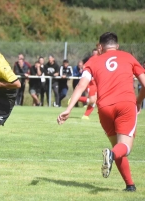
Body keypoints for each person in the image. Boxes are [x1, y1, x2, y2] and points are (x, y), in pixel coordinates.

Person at [57, 32, 145, 192]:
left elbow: (81, 85)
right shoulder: (128, 57)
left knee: (117, 147)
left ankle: (130, 185)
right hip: (125, 104)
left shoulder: (93, 61)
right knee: (125, 147)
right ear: (117, 46)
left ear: (101, 46)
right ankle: (111, 155)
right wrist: (138, 101)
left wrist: (68, 109)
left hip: (104, 107)